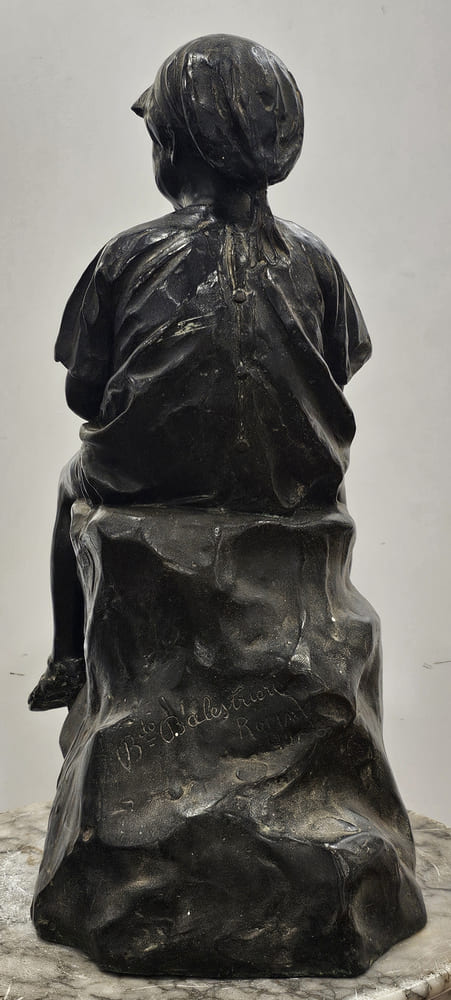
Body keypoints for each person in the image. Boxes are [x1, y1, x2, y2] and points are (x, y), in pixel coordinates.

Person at [28, 33, 371, 712]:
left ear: (173, 148)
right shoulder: (315, 260)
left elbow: (83, 393)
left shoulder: (129, 255)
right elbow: (339, 367)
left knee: (72, 483)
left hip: (151, 482)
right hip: (289, 484)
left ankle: (67, 658)